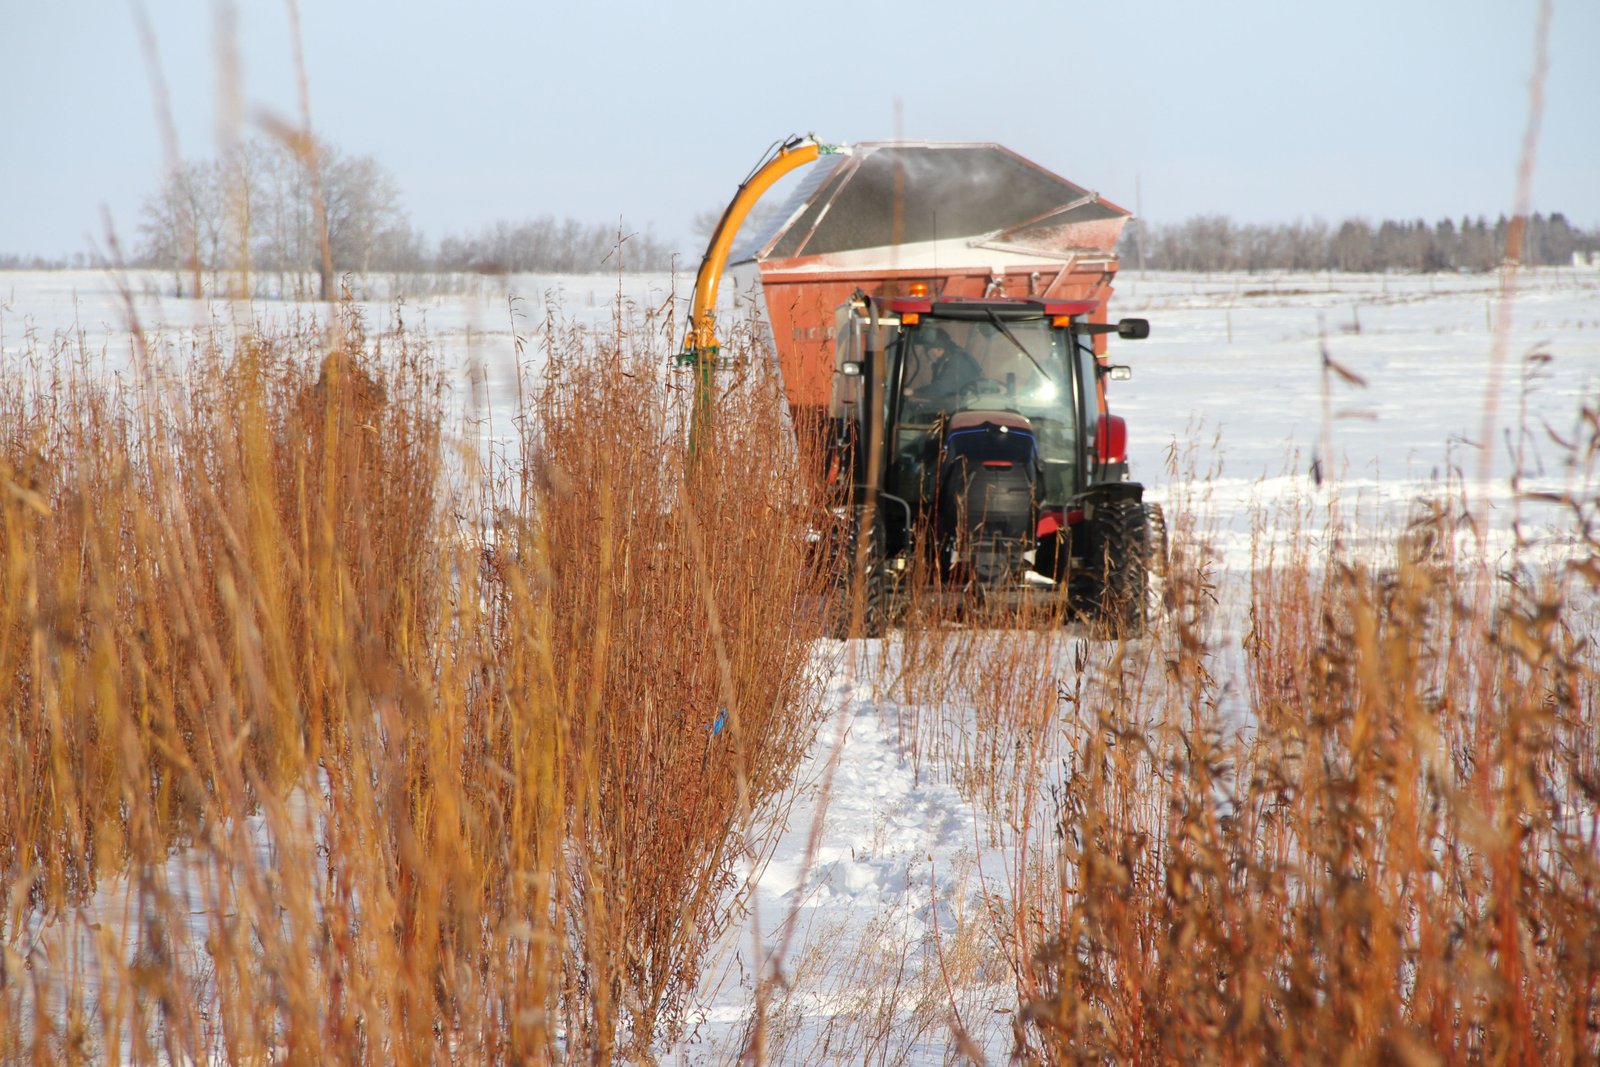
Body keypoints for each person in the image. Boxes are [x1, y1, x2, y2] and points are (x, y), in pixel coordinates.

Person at [909, 328, 981, 402]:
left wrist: (914, 392)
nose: (926, 355)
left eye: (928, 350)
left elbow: (941, 389)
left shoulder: (958, 361)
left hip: (967, 408)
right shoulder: (945, 361)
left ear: (939, 350)